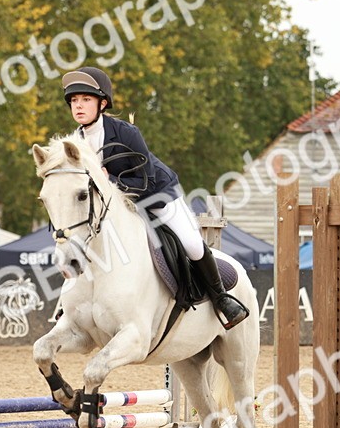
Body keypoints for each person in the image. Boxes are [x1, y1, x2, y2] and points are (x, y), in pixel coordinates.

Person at [61, 66, 249, 329]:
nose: (78, 106)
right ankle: (68, 305)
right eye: (74, 101)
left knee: (192, 243)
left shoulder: (126, 133)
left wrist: (110, 180)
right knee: (83, 241)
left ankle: (221, 299)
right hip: (117, 208)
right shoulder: (74, 142)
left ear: (102, 103)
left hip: (156, 195)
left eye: (86, 100)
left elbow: (145, 180)